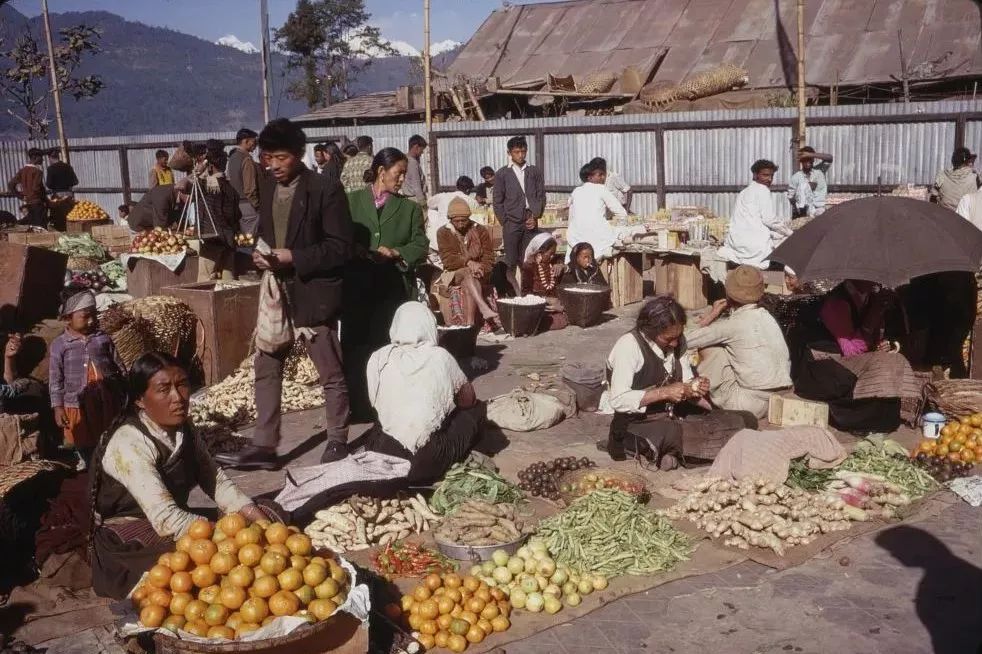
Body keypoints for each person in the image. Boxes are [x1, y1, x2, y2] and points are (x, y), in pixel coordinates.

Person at [215, 118, 353, 470]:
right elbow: (267, 233)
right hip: (277, 291)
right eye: (267, 158)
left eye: (281, 158)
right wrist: (261, 255)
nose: (273, 165)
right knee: (266, 365)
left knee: (329, 370)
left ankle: (337, 439)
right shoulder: (268, 187)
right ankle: (264, 447)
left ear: (298, 154)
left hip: (312, 293)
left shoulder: (325, 190)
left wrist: (296, 258)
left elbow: (340, 248)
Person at [89, 352, 269, 600]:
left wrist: (254, 516)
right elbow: (166, 518)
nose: (178, 398)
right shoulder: (128, 442)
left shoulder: (185, 429)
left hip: (172, 519)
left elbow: (214, 479)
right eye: (164, 389)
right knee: (186, 576)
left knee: (268, 512)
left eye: (182, 384)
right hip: (131, 535)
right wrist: (228, 538)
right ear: (141, 400)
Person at [601, 296, 757, 468]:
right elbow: (618, 399)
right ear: (650, 332)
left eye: (678, 336)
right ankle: (650, 448)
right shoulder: (629, 346)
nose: (675, 343)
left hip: (673, 414)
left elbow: (685, 380)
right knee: (673, 433)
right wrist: (664, 392)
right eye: (668, 339)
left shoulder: (677, 342)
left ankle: (670, 453)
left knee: (746, 419)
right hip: (635, 423)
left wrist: (694, 388)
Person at [343, 147, 428, 419]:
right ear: (381, 171)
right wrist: (354, 250)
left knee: (387, 347)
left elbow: (420, 245)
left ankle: (386, 406)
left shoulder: (409, 208)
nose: (402, 179)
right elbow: (337, 237)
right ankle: (357, 405)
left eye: (404, 173)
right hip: (356, 287)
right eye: (398, 173)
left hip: (392, 289)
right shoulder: (351, 202)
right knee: (356, 346)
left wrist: (398, 252)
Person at [360, 302, 485, 484]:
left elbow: (376, 403)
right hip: (426, 462)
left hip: (385, 456)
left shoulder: (379, 357)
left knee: (386, 422)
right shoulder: (440, 356)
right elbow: (468, 400)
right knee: (477, 411)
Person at [794, 280, 922, 433]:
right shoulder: (837, 303)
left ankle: (884, 417)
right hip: (824, 365)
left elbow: (870, 342)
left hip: (851, 359)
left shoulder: (870, 298)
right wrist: (873, 315)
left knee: (894, 360)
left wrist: (880, 344)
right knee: (883, 362)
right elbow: (852, 351)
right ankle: (861, 419)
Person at [687, 266, 791, 418]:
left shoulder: (733, 324)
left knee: (709, 348)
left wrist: (713, 314)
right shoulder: (767, 316)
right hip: (780, 398)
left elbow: (688, 339)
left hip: (749, 405)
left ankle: (717, 407)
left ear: (729, 294)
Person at [49, 290, 124, 469]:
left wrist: (124, 388)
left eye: (94, 315)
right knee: (83, 436)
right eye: (85, 316)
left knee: (108, 432)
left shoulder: (103, 339)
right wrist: (58, 407)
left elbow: (118, 365)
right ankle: (89, 461)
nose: (92, 320)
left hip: (106, 398)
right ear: (68, 318)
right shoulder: (60, 345)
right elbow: (55, 378)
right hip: (77, 402)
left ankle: (107, 461)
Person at [493, 136, 546, 295]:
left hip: (530, 219)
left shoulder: (534, 171)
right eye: (517, 152)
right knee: (511, 260)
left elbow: (540, 195)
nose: (521, 155)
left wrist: (535, 216)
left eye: (523, 151)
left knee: (528, 258)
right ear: (509, 153)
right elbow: (498, 201)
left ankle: (528, 291)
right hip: (511, 222)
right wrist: (506, 221)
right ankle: (512, 293)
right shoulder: (502, 173)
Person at [718, 159, 791, 269]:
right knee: (789, 243)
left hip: (737, 245)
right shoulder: (763, 190)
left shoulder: (744, 192)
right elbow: (769, 220)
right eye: (765, 175)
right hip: (754, 248)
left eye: (771, 176)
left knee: (777, 236)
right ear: (755, 175)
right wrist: (789, 232)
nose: (769, 179)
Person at [435, 198, 497, 326]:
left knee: (470, 277)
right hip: (453, 273)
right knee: (467, 271)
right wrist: (469, 262)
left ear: (469, 218)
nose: (461, 224)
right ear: (450, 219)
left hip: (477, 272)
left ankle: (470, 323)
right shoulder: (443, 232)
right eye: (457, 221)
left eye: (464, 220)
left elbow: (489, 256)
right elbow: (447, 259)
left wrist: (482, 268)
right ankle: (483, 307)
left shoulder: (480, 230)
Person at [194, 141, 241, 280]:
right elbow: (237, 215)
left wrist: (200, 169)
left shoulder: (205, 186)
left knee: (204, 281)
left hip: (211, 239)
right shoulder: (231, 189)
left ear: (210, 166)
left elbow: (180, 185)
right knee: (228, 282)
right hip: (228, 239)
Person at [566, 159, 627, 262]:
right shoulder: (601, 189)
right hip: (598, 238)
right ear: (590, 177)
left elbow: (571, 218)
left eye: (604, 175)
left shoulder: (576, 191)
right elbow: (622, 213)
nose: (603, 178)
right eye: (600, 175)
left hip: (576, 238)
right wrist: (620, 228)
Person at [426, 176, 479, 265]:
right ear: (468, 190)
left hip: (435, 240)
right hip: (454, 242)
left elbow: (429, 203)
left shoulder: (443, 196)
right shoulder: (470, 201)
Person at [521, 233, 568, 331]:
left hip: (554, 308)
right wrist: (546, 300)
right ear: (539, 253)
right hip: (537, 308)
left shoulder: (553, 265)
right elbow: (525, 295)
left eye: (554, 254)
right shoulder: (529, 267)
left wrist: (562, 266)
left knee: (563, 318)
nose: (552, 257)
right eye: (550, 254)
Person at [227, 127, 261, 235]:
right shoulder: (246, 159)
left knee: (241, 240)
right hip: (247, 205)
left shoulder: (232, 158)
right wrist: (257, 206)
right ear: (246, 141)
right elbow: (249, 188)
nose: (255, 145)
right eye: (254, 142)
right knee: (250, 240)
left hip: (235, 205)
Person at [787, 146, 833, 217]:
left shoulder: (819, 171)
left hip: (820, 209)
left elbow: (830, 158)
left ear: (813, 160)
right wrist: (806, 189)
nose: (808, 162)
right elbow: (791, 196)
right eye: (805, 160)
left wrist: (810, 154)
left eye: (810, 159)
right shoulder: (796, 177)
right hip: (803, 212)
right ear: (801, 161)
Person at [7, 148, 47, 227]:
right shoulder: (37, 172)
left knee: (34, 228)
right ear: (35, 157)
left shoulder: (22, 171)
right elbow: (36, 188)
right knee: (42, 229)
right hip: (37, 204)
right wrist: (45, 200)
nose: (42, 159)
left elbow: (11, 185)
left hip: (28, 204)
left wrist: (20, 196)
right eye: (41, 157)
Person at [403, 134, 428, 205]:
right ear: (416, 147)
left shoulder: (405, 159)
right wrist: (423, 203)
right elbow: (416, 186)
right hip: (415, 199)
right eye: (422, 149)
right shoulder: (412, 163)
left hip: (408, 199)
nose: (422, 152)